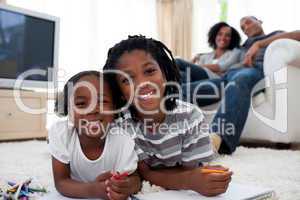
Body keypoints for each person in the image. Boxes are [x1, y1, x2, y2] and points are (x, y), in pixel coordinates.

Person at [104, 35, 233, 197]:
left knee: (214, 143)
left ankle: (215, 138)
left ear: (165, 73)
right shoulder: (123, 125)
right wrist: (189, 180)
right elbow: (146, 174)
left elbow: (192, 170)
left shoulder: (191, 116)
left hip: (195, 140)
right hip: (174, 155)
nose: (143, 83)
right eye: (127, 79)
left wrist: (192, 176)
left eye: (149, 71)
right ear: (120, 92)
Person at [182, 16, 300, 154]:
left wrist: (259, 44)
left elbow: (298, 34)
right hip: (228, 76)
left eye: (248, 22)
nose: (246, 28)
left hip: (252, 72)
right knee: (181, 90)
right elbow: (224, 59)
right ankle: (165, 135)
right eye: (243, 27)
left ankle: (217, 141)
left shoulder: (275, 35)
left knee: (239, 80)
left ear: (259, 21)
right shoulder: (243, 46)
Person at [48, 71, 141, 200]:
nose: (92, 109)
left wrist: (125, 186)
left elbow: (135, 179)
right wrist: (93, 190)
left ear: (115, 108)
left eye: (102, 101)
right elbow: (61, 182)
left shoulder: (122, 140)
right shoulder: (61, 133)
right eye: (81, 104)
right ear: (67, 109)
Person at [177, 22, 241, 83]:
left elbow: (223, 67)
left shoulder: (235, 53)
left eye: (227, 35)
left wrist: (198, 66)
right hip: (199, 80)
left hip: (215, 81)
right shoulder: (204, 56)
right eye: (220, 34)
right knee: (182, 74)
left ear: (232, 38)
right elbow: (194, 70)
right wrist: (194, 61)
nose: (223, 38)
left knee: (178, 62)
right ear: (214, 36)